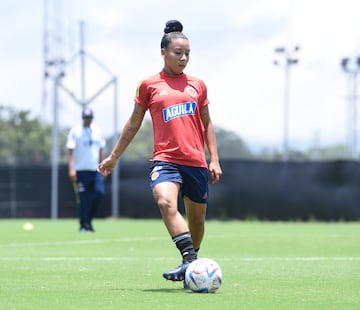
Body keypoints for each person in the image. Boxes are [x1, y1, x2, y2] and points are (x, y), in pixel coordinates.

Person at [97, 20, 222, 284]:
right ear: (163, 51)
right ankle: (190, 261)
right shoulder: (149, 85)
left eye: (187, 53)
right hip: (165, 160)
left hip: (196, 162)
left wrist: (214, 158)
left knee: (197, 221)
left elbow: (207, 122)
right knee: (165, 202)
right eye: (178, 53)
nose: (184, 58)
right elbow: (133, 122)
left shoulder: (198, 85)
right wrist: (114, 156)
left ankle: (190, 262)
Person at [66, 107, 106, 232]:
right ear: (82, 118)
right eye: (85, 117)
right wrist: (71, 169)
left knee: (99, 194)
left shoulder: (97, 130)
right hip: (80, 171)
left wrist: (104, 165)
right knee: (83, 199)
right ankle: (84, 225)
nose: (87, 120)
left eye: (89, 117)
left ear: (92, 118)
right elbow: (70, 151)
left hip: (95, 171)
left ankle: (88, 220)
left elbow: (101, 149)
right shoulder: (75, 131)